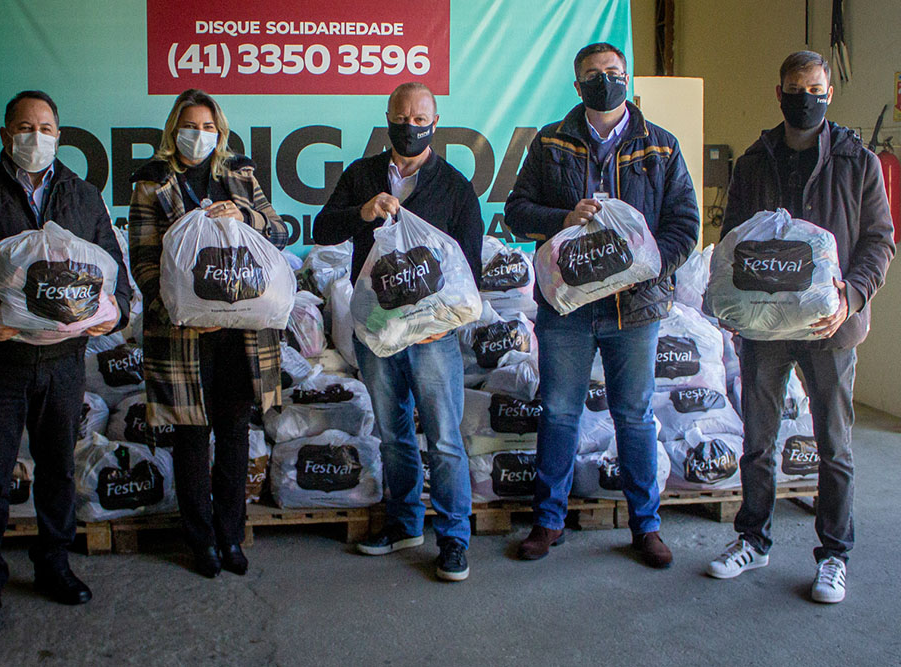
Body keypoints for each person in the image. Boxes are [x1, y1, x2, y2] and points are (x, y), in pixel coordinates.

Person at [0, 90, 131, 633]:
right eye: (24, 127)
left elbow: (114, 270)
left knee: (58, 469)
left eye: (45, 128)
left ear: (59, 136)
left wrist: (120, 312)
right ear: (4, 135)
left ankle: (53, 566)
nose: (34, 137)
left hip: (64, 361)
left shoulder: (83, 196)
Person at [705, 51, 894, 603]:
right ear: (779, 92)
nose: (804, 97)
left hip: (830, 328)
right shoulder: (755, 160)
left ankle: (834, 555)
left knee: (834, 446)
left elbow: (878, 241)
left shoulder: (857, 161)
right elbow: (733, 241)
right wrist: (731, 307)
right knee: (758, 441)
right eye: (794, 88)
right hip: (764, 328)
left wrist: (851, 295)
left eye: (814, 88)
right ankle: (753, 539)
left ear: (829, 93)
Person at [505, 43, 699, 567]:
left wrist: (645, 267)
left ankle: (646, 527)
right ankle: (548, 521)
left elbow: (686, 224)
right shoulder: (550, 142)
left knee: (634, 416)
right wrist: (563, 218)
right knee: (560, 411)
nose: (604, 81)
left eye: (613, 73)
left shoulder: (660, 147)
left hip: (635, 310)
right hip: (568, 307)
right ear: (577, 86)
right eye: (593, 76)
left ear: (626, 78)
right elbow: (515, 213)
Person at [313, 82, 483, 582]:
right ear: (388, 117)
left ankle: (454, 539)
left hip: (432, 340)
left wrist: (439, 321)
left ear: (435, 120)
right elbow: (323, 230)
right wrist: (361, 212)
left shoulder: (453, 186)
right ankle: (404, 525)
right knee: (394, 437)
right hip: (378, 334)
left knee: (446, 440)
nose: (411, 127)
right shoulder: (361, 175)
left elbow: (468, 270)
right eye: (402, 117)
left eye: (420, 118)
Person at [128, 89, 288, 579]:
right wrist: (184, 312)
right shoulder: (151, 184)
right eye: (190, 125)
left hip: (242, 336)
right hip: (183, 336)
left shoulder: (240, 175)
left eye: (209, 126)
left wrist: (248, 216)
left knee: (235, 433)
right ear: (174, 128)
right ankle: (201, 541)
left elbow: (279, 232)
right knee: (192, 436)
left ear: (220, 131)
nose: (199, 135)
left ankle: (231, 535)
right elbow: (144, 262)